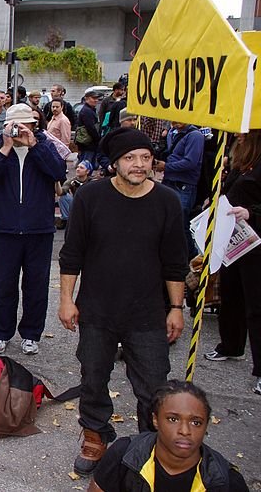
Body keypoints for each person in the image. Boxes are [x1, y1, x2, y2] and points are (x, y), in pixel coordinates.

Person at [58, 127, 188, 476]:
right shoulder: (90, 197)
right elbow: (72, 255)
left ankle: (153, 445)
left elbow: (175, 262)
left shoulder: (167, 201)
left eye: (145, 157)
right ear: (115, 163)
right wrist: (66, 300)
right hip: (97, 309)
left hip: (147, 312)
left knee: (154, 386)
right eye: (130, 158)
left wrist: (176, 308)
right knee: (93, 377)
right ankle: (95, 435)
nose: (139, 164)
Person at [0, 103, 65, 356]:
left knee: (36, 285)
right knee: (4, 285)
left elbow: (58, 170)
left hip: (39, 229)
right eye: (16, 124)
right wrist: (5, 147)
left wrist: (34, 146)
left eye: (27, 124)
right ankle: (1, 333)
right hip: (6, 229)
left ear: (35, 125)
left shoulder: (43, 145)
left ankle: (31, 334)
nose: (21, 129)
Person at [89, 380, 249, 492]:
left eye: (196, 422)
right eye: (173, 419)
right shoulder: (124, 455)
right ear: (155, 420)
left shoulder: (226, 481)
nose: (185, 431)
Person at [203, 130, 261, 396]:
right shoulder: (239, 159)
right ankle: (231, 344)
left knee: (256, 306)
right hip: (234, 240)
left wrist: (251, 213)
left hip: (256, 243)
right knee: (231, 295)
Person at [154, 122, 205, 259]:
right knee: (166, 220)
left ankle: (193, 258)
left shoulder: (195, 136)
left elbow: (190, 162)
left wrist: (166, 167)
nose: (175, 121)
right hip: (170, 181)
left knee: (181, 224)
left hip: (184, 185)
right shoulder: (172, 132)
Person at [55, 160, 93, 230]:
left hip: (89, 208)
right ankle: (65, 220)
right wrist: (57, 181)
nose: (78, 169)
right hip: (76, 205)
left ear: (87, 171)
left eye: (81, 168)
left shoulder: (93, 181)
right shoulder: (72, 181)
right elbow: (60, 193)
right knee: (64, 196)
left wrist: (81, 185)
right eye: (77, 167)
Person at [76, 90, 101, 166]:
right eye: (93, 98)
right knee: (85, 165)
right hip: (87, 144)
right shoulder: (87, 111)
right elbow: (91, 128)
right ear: (86, 99)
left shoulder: (90, 110)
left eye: (97, 98)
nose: (96, 100)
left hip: (88, 143)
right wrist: (98, 139)